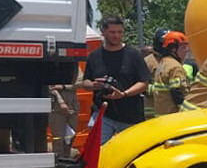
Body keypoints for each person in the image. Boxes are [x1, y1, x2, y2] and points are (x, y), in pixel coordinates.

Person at [80, 16, 151, 144]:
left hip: (130, 116)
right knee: (99, 152)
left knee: (130, 152)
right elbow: (85, 82)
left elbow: (144, 82)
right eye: (112, 32)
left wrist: (124, 94)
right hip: (103, 114)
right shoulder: (94, 56)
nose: (116, 36)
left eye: (120, 32)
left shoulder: (134, 54)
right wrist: (94, 85)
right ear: (103, 32)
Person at [149, 31, 190, 115]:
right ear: (173, 49)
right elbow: (177, 93)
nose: (186, 51)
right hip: (174, 116)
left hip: (162, 115)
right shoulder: (175, 67)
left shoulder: (163, 63)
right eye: (183, 48)